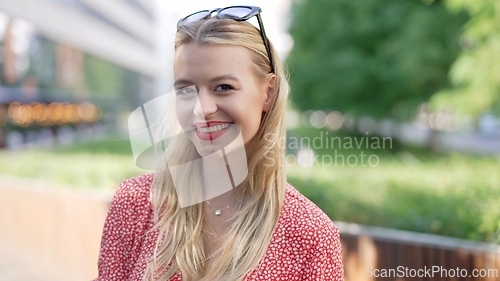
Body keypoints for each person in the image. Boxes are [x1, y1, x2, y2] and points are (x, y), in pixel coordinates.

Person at [94, 6, 343, 281]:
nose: (202, 109)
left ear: (268, 92)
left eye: (223, 87)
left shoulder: (311, 236)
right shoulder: (135, 203)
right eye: (186, 90)